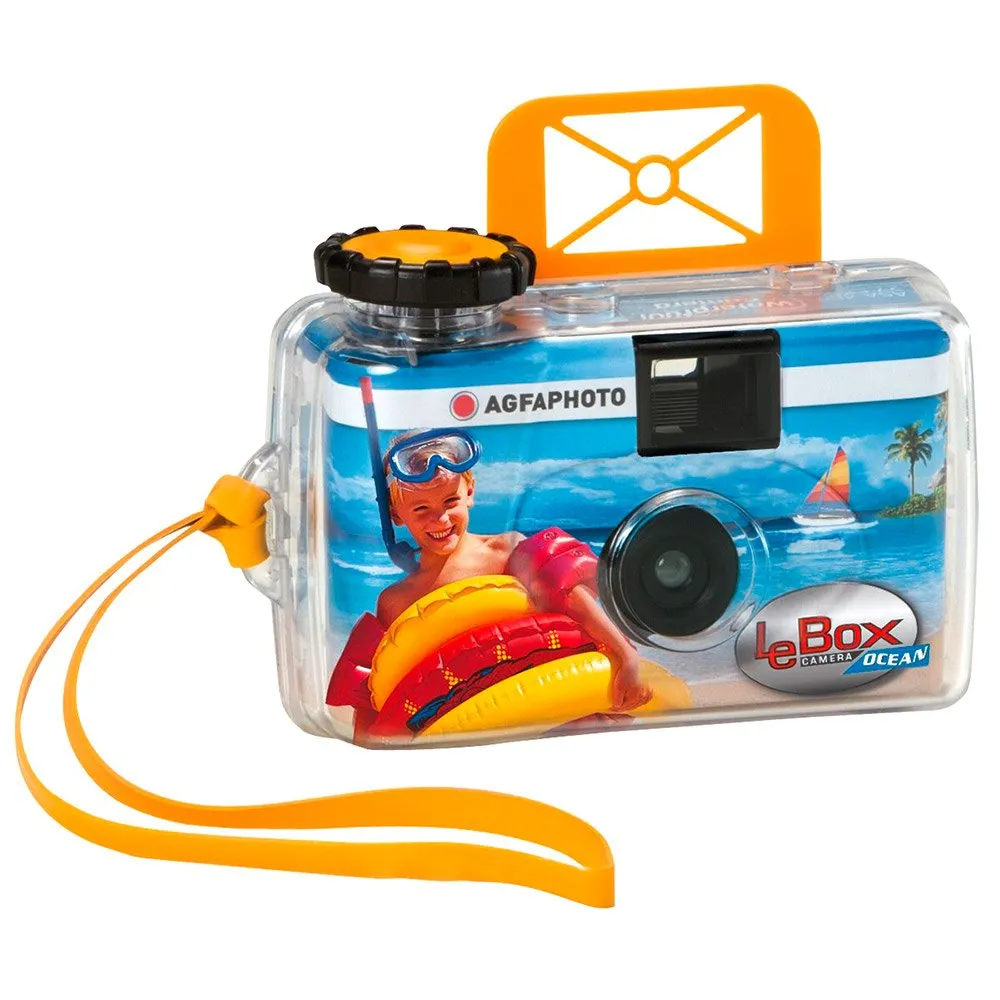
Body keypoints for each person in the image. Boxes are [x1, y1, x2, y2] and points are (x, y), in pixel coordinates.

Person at [326, 430, 651, 733]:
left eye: (450, 502)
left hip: (551, 707)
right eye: (421, 508)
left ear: (469, 492)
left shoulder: (505, 551)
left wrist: (626, 656)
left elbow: (571, 598)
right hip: (465, 727)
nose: (440, 519)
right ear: (395, 514)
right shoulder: (397, 600)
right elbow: (381, 688)